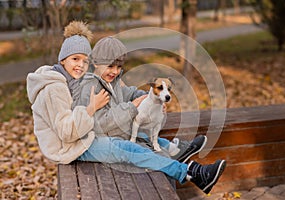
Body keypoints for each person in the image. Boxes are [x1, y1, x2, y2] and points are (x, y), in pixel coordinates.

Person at [74, 36, 226, 194]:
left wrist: (152, 99)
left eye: (119, 66)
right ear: (95, 63)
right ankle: (192, 172)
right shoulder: (90, 88)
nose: (115, 71)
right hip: (91, 142)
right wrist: (131, 107)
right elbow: (98, 125)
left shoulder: (110, 82)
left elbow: (131, 93)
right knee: (136, 148)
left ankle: (175, 150)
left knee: (141, 134)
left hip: (110, 136)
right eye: (110, 66)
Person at [26, 21, 110, 164]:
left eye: (85, 61)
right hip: (66, 149)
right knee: (125, 149)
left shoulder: (72, 82)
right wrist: (91, 108)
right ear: (63, 60)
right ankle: (163, 167)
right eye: (75, 59)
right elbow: (66, 133)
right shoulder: (55, 88)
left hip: (78, 140)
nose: (80, 65)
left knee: (135, 138)